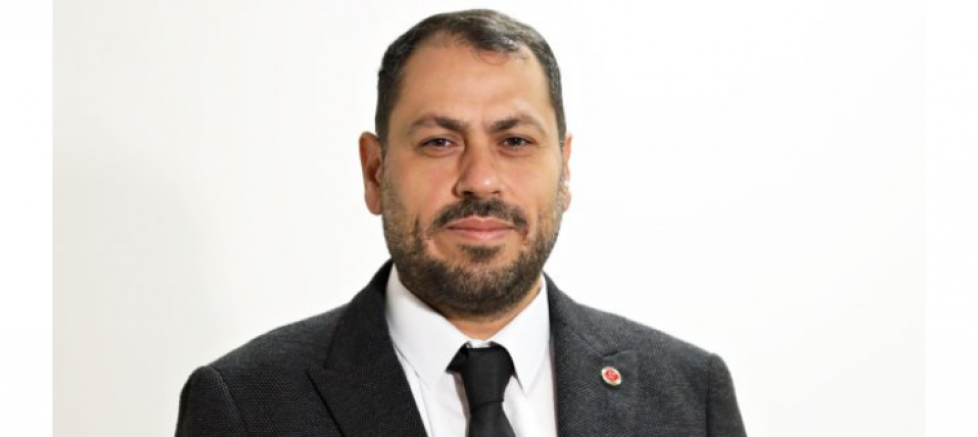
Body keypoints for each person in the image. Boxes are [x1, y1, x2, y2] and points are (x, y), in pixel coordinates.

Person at [175, 9, 747, 437]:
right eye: (439, 142)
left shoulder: (689, 397)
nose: (480, 179)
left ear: (565, 169)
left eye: (515, 141)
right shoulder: (245, 407)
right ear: (375, 171)